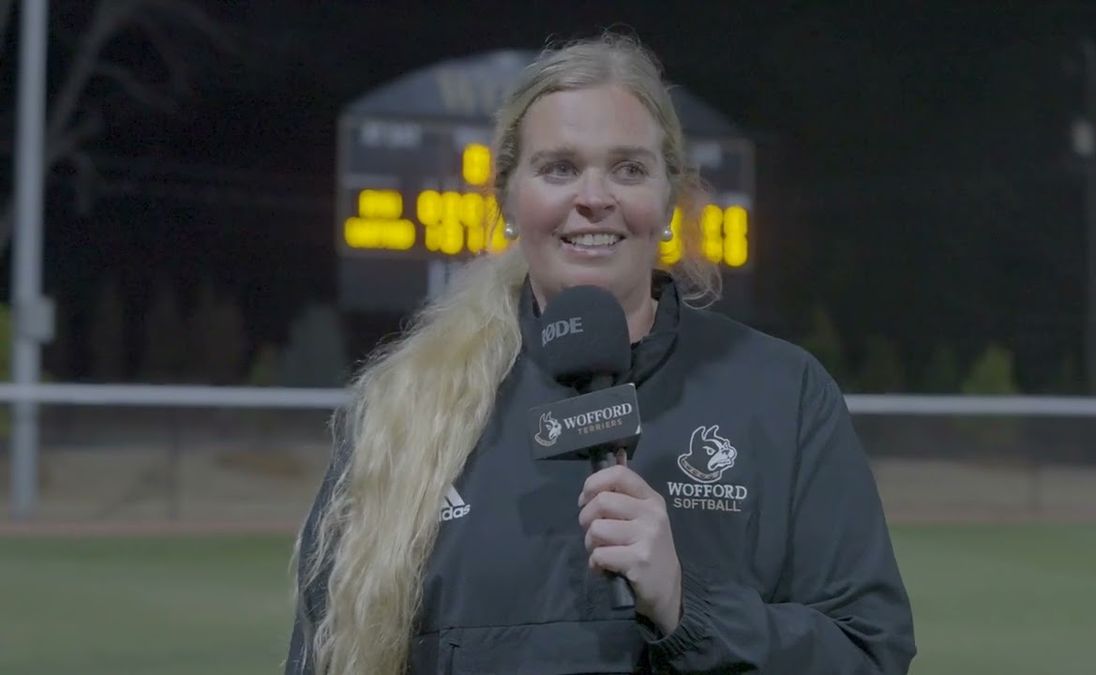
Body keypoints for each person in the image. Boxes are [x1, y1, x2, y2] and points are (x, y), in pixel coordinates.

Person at [286, 32, 916, 675]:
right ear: (507, 196)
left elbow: (869, 654)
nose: (594, 197)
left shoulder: (785, 395)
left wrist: (685, 605)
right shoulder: (406, 410)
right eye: (559, 167)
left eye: (629, 168)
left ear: (670, 198)